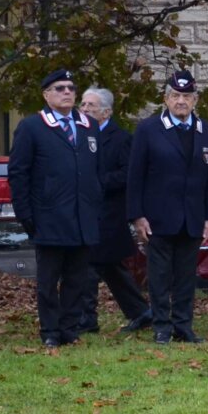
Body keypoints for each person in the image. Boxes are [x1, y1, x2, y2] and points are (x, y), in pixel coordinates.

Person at [7, 69, 103, 348]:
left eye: (71, 88)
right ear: (46, 94)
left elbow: (96, 170)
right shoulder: (32, 127)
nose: (67, 92)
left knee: (78, 278)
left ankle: (69, 328)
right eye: (59, 88)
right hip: (49, 216)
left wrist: (95, 204)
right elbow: (19, 173)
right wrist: (25, 213)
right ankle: (50, 330)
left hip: (82, 216)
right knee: (49, 280)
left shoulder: (89, 125)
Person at [127, 70, 208, 344]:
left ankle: (183, 326)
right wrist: (137, 216)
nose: (181, 101)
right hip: (158, 217)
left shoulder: (207, 131)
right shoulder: (148, 129)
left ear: (195, 100)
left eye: (187, 96)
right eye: (176, 96)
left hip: (192, 217)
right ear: (166, 99)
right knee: (160, 276)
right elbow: (135, 176)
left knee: (186, 277)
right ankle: (162, 327)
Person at [78, 88, 150, 337]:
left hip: (109, 215)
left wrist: (96, 182)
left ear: (106, 112)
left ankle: (87, 319)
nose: (84, 109)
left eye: (91, 106)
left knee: (92, 266)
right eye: (83, 104)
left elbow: (127, 174)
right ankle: (140, 312)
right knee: (107, 268)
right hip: (86, 213)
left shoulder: (120, 138)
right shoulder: (79, 134)